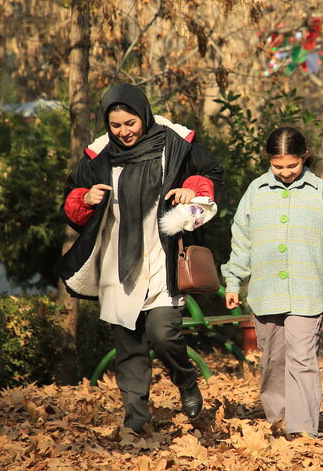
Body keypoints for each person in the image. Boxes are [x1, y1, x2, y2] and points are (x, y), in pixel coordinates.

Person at [57, 84, 223, 434]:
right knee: (128, 345)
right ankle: (135, 420)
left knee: (163, 334)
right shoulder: (100, 156)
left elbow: (210, 175)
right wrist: (86, 197)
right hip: (118, 261)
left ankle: (186, 381)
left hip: (162, 256)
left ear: (143, 116)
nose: (124, 132)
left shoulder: (175, 143)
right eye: (115, 125)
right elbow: (72, 196)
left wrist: (191, 190)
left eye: (130, 122)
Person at [223, 127, 323, 440]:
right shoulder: (256, 191)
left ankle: (303, 429)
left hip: (307, 290)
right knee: (272, 360)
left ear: (304, 157)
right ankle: (279, 418)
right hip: (266, 292)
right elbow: (241, 241)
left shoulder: (319, 191)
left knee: (303, 358)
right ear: (269, 162)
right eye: (278, 166)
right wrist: (233, 281)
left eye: (292, 166)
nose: (285, 173)